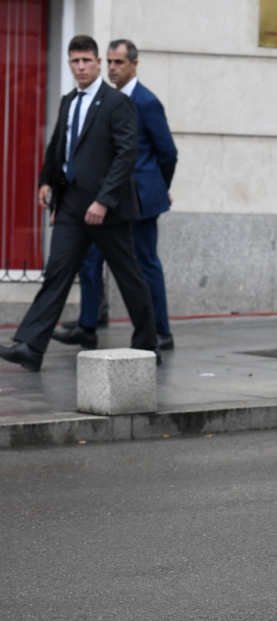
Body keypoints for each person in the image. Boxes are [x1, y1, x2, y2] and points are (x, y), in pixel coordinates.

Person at [0, 35, 157, 372]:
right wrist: (46, 181)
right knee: (57, 272)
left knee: (128, 275)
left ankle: (148, 342)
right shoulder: (68, 100)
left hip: (108, 210)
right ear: (70, 63)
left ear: (98, 63)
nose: (81, 67)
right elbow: (59, 145)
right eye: (75, 61)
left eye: (87, 60)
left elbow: (126, 154)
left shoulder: (116, 102)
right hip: (71, 204)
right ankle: (30, 346)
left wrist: (103, 200)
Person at [53, 39, 178, 352]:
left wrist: (160, 188)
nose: (112, 68)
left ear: (134, 65)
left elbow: (167, 152)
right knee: (90, 261)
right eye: (109, 61)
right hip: (104, 199)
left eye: (119, 62)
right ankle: (88, 324)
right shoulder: (100, 99)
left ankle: (160, 331)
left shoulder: (146, 102)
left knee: (144, 265)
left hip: (139, 199)